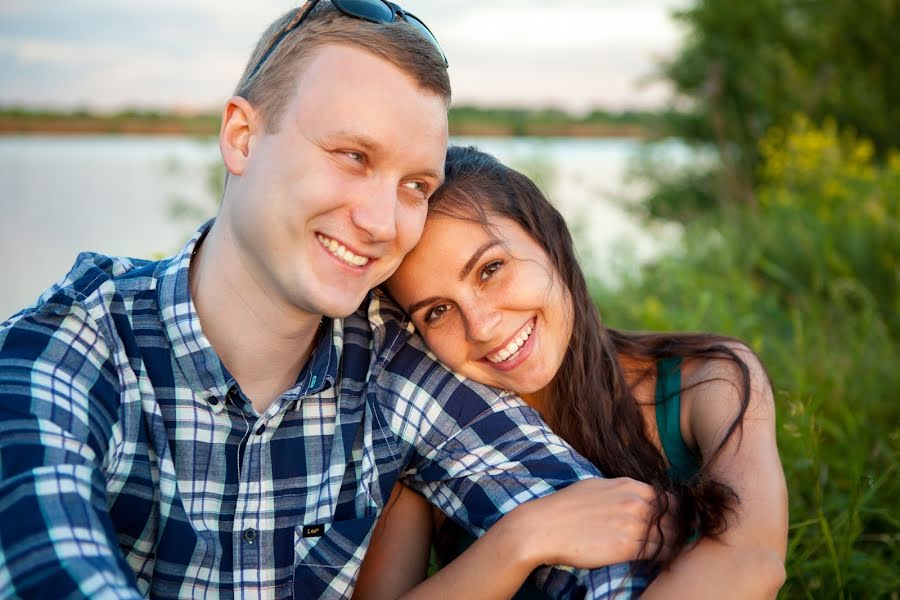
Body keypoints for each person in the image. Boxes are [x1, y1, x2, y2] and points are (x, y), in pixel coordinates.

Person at [0, 3, 653, 599]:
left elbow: (611, 549)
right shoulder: (69, 350)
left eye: (415, 184)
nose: (380, 221)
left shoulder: (390, 359)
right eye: (352, 155)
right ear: (242, 137)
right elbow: (50, 575)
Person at [354, 145, 789, 599]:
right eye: (438, 311)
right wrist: (522, 539)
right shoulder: (430, 443)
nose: (481, 326)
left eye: (491, 269)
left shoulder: (709, 380)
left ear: (550, 239)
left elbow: (754, 560)